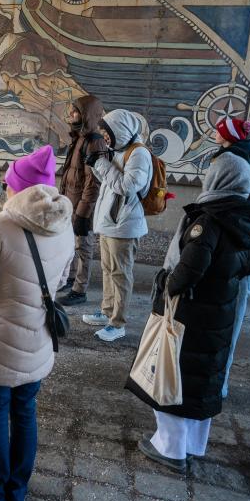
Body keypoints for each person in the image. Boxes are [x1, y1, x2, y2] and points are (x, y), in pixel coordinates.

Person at [127, 152, 250, 473]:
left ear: (219, 180)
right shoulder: (247, 218)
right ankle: (192, 446)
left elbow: (186, 273)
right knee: (201, 382)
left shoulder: (209, 220)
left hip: (192, 316)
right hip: (219, 315)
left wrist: (165, 281)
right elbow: (249, 267)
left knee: (176, 380)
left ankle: (171, 450)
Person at [0, 145, 74, 501]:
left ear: (21, 189)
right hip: (38, 337)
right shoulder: (64, 227)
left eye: (10, 184)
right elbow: (60, 280)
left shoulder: (0, 228)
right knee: (24, 410)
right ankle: (16, 490)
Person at [81, 109, 152, 342]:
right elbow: (111, 183)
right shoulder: (121, 151)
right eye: (103, 132)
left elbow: (127, 187)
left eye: (107, 132)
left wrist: (101, 165)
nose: (104, 137)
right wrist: (96, 165)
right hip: (111, 222)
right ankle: (106, 311)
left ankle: (117, 323)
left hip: (125, 225)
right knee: (108, 270)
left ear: (120, 130)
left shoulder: (139, 154)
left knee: (121, 274)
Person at [211, 117, 250, 397]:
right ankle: (218, 380)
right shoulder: (249, 159)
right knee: (229, 325)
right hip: (248, 261)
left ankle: (218, 382)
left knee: (227, 326)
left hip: (240, 261)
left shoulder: (233, 161)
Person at [58, 95, 107, 305]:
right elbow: (70, 171)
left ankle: (80, 289)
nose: (71, 115)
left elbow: (93, 182)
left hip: (82, 205)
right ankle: (70, 278)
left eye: (76, 111)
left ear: (86, 115)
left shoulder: (94, 142)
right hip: (70, 201)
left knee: (83, 246)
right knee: (69, 243)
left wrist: (83, 212)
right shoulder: (80, 137)